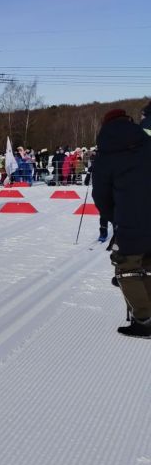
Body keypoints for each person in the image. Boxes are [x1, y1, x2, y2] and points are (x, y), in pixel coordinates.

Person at [92, 108, 151, 338]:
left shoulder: (106, 153)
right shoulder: (146, 142)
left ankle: (144, 320)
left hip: (130, 217)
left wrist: (115, 217)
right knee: (147, 264)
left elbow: (101, 196)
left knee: (126, 267)